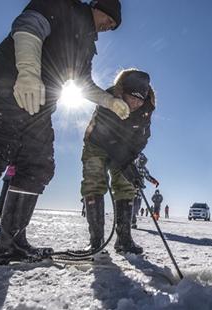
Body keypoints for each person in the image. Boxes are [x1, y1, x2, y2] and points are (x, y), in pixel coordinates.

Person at [0, 0, 126, 305]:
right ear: (100, 7)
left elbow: (81, 82)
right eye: (110, 19)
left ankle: (10, 245)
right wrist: (28, 71)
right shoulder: (64, 6)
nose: (109, 26)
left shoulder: (87, 43)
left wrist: (109, 101)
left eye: (113, 25)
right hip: (3, 89)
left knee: (38, 165)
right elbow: (29, 26)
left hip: (39, 108)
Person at [81, 68, 156, 255]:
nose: (136, 103)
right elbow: (105, 136)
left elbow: (142, 139)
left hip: (124, 150)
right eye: (133, 97)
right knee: (94, 182)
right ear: (122, 91)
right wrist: (124, 161)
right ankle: (96, 240)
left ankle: (124, 239)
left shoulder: (146, 110)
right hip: (97, 144)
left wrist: (130, 161)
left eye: (141, 98)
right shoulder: (109, 98)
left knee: (125, 185)